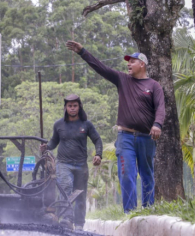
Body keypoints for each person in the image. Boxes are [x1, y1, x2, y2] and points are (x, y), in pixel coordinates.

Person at [66, 41, 165, 213]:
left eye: (132, 61)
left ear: (142, 64)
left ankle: (148, 211)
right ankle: (131, 213)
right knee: (127, 175)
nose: (128, 64)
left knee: (147, 176)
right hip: (125, 137)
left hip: (146, 138)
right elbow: (101, 67)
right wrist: (83, 52)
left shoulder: (154, 86)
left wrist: (157, 124)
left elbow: (161, 108)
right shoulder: (123, 79)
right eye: (128, 61)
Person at [40, 94, 102, 230]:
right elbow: (54, 141)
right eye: (70, 106)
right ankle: (67, 219)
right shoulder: (59, 124)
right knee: (65, 188)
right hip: (63, 163)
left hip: (81, 165)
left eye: (75, 106)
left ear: (79, 107)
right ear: (65, 108)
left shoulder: (86, 125)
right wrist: (47, 147)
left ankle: (79, 224)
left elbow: (97, 139)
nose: (72, 109)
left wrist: (98, 154)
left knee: (80, 194)